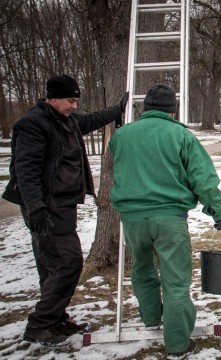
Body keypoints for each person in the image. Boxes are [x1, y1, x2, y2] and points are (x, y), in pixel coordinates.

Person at [2, 74, 129, 347]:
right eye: (70, 100)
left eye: (76, 101)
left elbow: (91, 120)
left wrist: (116, 111)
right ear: (53, 97)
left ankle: (55, 319)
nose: (74, 106)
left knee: (51, 265)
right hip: (46, 208)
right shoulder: (33, 124)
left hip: (63, 205)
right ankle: (40, 324)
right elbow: (26, 170)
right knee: (69, 262)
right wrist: (35, 208)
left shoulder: (67, 121)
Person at [109, 83, 221, 359]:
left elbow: (119, 163)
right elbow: (203, 176)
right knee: (175, 282)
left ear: (145, 109)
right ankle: (177, 344)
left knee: (142, 270)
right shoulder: (181, 135)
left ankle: (151, 319)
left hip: (132, 219)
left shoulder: (121, 135)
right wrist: (216, 210)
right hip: (169, 219)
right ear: (172, 111)